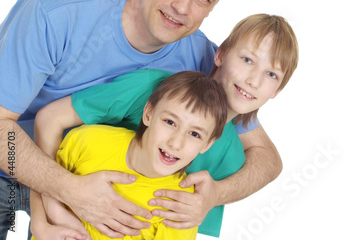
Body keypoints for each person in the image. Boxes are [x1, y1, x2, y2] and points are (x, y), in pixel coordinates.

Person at [0, 0, 282, 239]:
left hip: (97, 185)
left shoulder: (204, 62)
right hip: (11, 164)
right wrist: (62, 194)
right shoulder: (54, 13)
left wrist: (215, 195)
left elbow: (266, 157)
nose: (182, 7)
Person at [30, 13, 299, 239]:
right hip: (38, 185)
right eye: (247, 60)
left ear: (278, 90)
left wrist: (216, 195)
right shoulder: (153, 88)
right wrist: (45, 218)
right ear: (221, 54)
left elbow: (270, 161)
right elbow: (50, 120)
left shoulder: (229, 152)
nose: (254, 80)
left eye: (271, 74)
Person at [31, 71, 228, 240]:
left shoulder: (181, 205)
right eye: (169, 122)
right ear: (148, 113)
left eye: (194, 134)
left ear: (207, 144)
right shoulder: (87, 141)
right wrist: (40, 227)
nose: (176, 143)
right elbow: (43, 180)